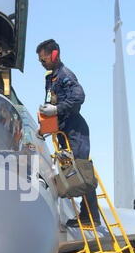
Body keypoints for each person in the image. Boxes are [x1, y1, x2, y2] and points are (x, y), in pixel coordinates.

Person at [36, 39, 100, 227]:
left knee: (82, 172)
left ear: (54, 55)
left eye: (44, 59)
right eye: (40, 61)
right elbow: (53, 104)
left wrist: (55, 110)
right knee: (71, 173)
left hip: (75, 130)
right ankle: (86, 215)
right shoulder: (51, 78)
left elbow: (79, 96)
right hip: (63, 131)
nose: (42, 63)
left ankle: (91, 217)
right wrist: (44, 127)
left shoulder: (65, 75)